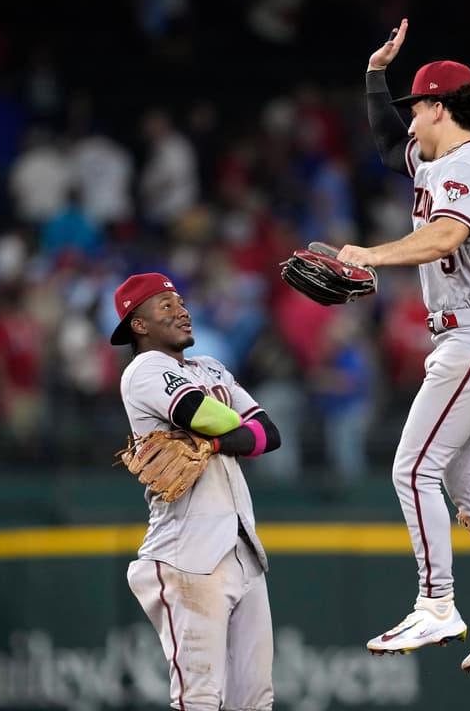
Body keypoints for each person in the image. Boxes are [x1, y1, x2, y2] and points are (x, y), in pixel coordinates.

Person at [337, 18, 470, 673]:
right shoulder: (439, 160)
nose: (407, 123)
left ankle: (437, 604)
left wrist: (369, 255)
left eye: (414, 108)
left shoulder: (469, 165)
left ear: (440, 107)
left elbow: (443, 239)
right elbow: (382, 146)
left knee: (413, 468)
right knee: (468, 477)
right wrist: (377, 76)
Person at [112, 272, 282, 710]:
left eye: (181, 302)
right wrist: (225, 430)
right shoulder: (145, 369)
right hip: (188, 552)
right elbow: (200, 413)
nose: (181, 311)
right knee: (200, 698)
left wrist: (215, 442)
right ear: (139, 324)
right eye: (165, 306)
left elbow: (269, 434)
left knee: (255, 700)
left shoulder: (211, 367)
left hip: (243, 549)